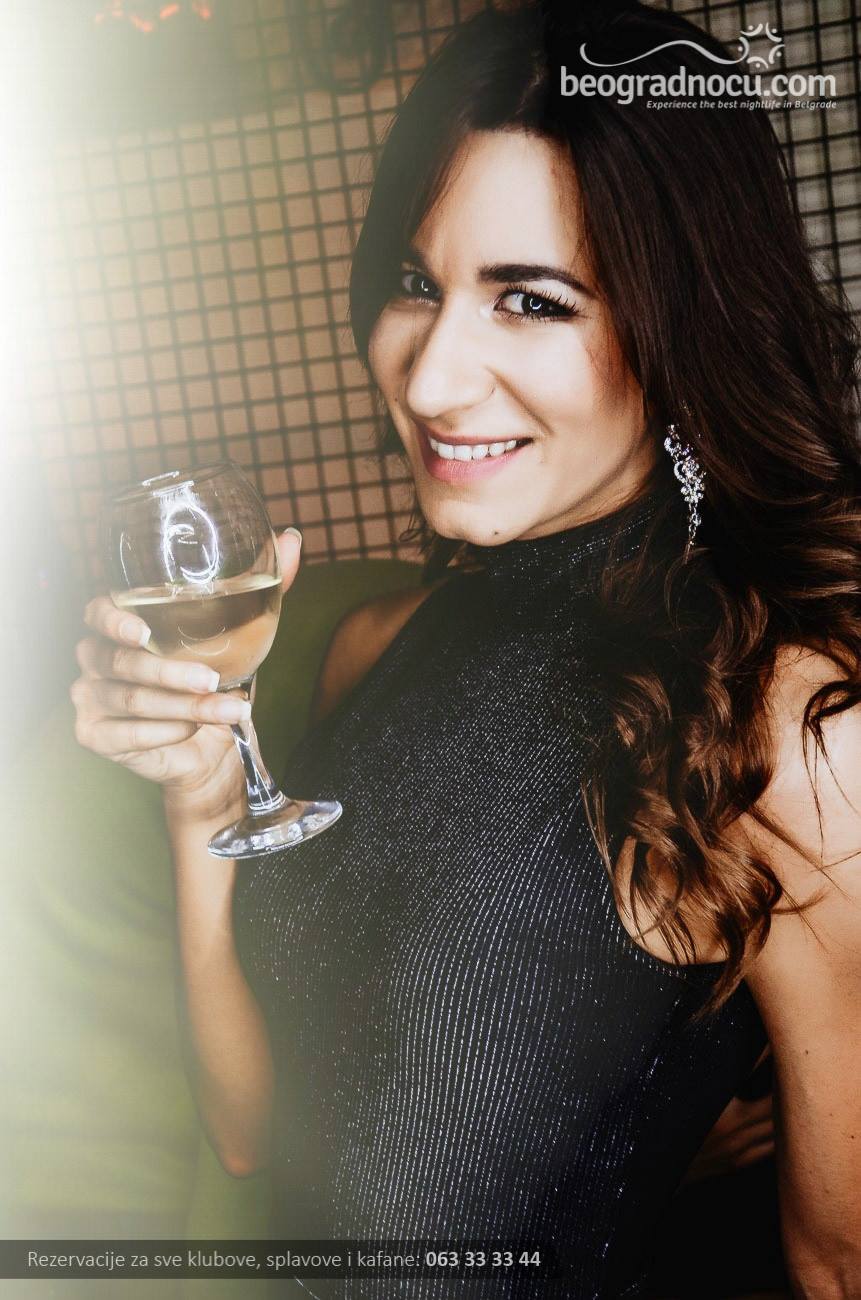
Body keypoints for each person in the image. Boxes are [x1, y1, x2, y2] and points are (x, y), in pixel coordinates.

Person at [70, 2, 861, 1296]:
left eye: (531, 301)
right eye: (415, 285)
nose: (430, 380)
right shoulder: (372, 649)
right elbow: (255, 1136)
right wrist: (201, 801)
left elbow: (840, 1262)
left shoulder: (780, 719)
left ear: (686, 326)